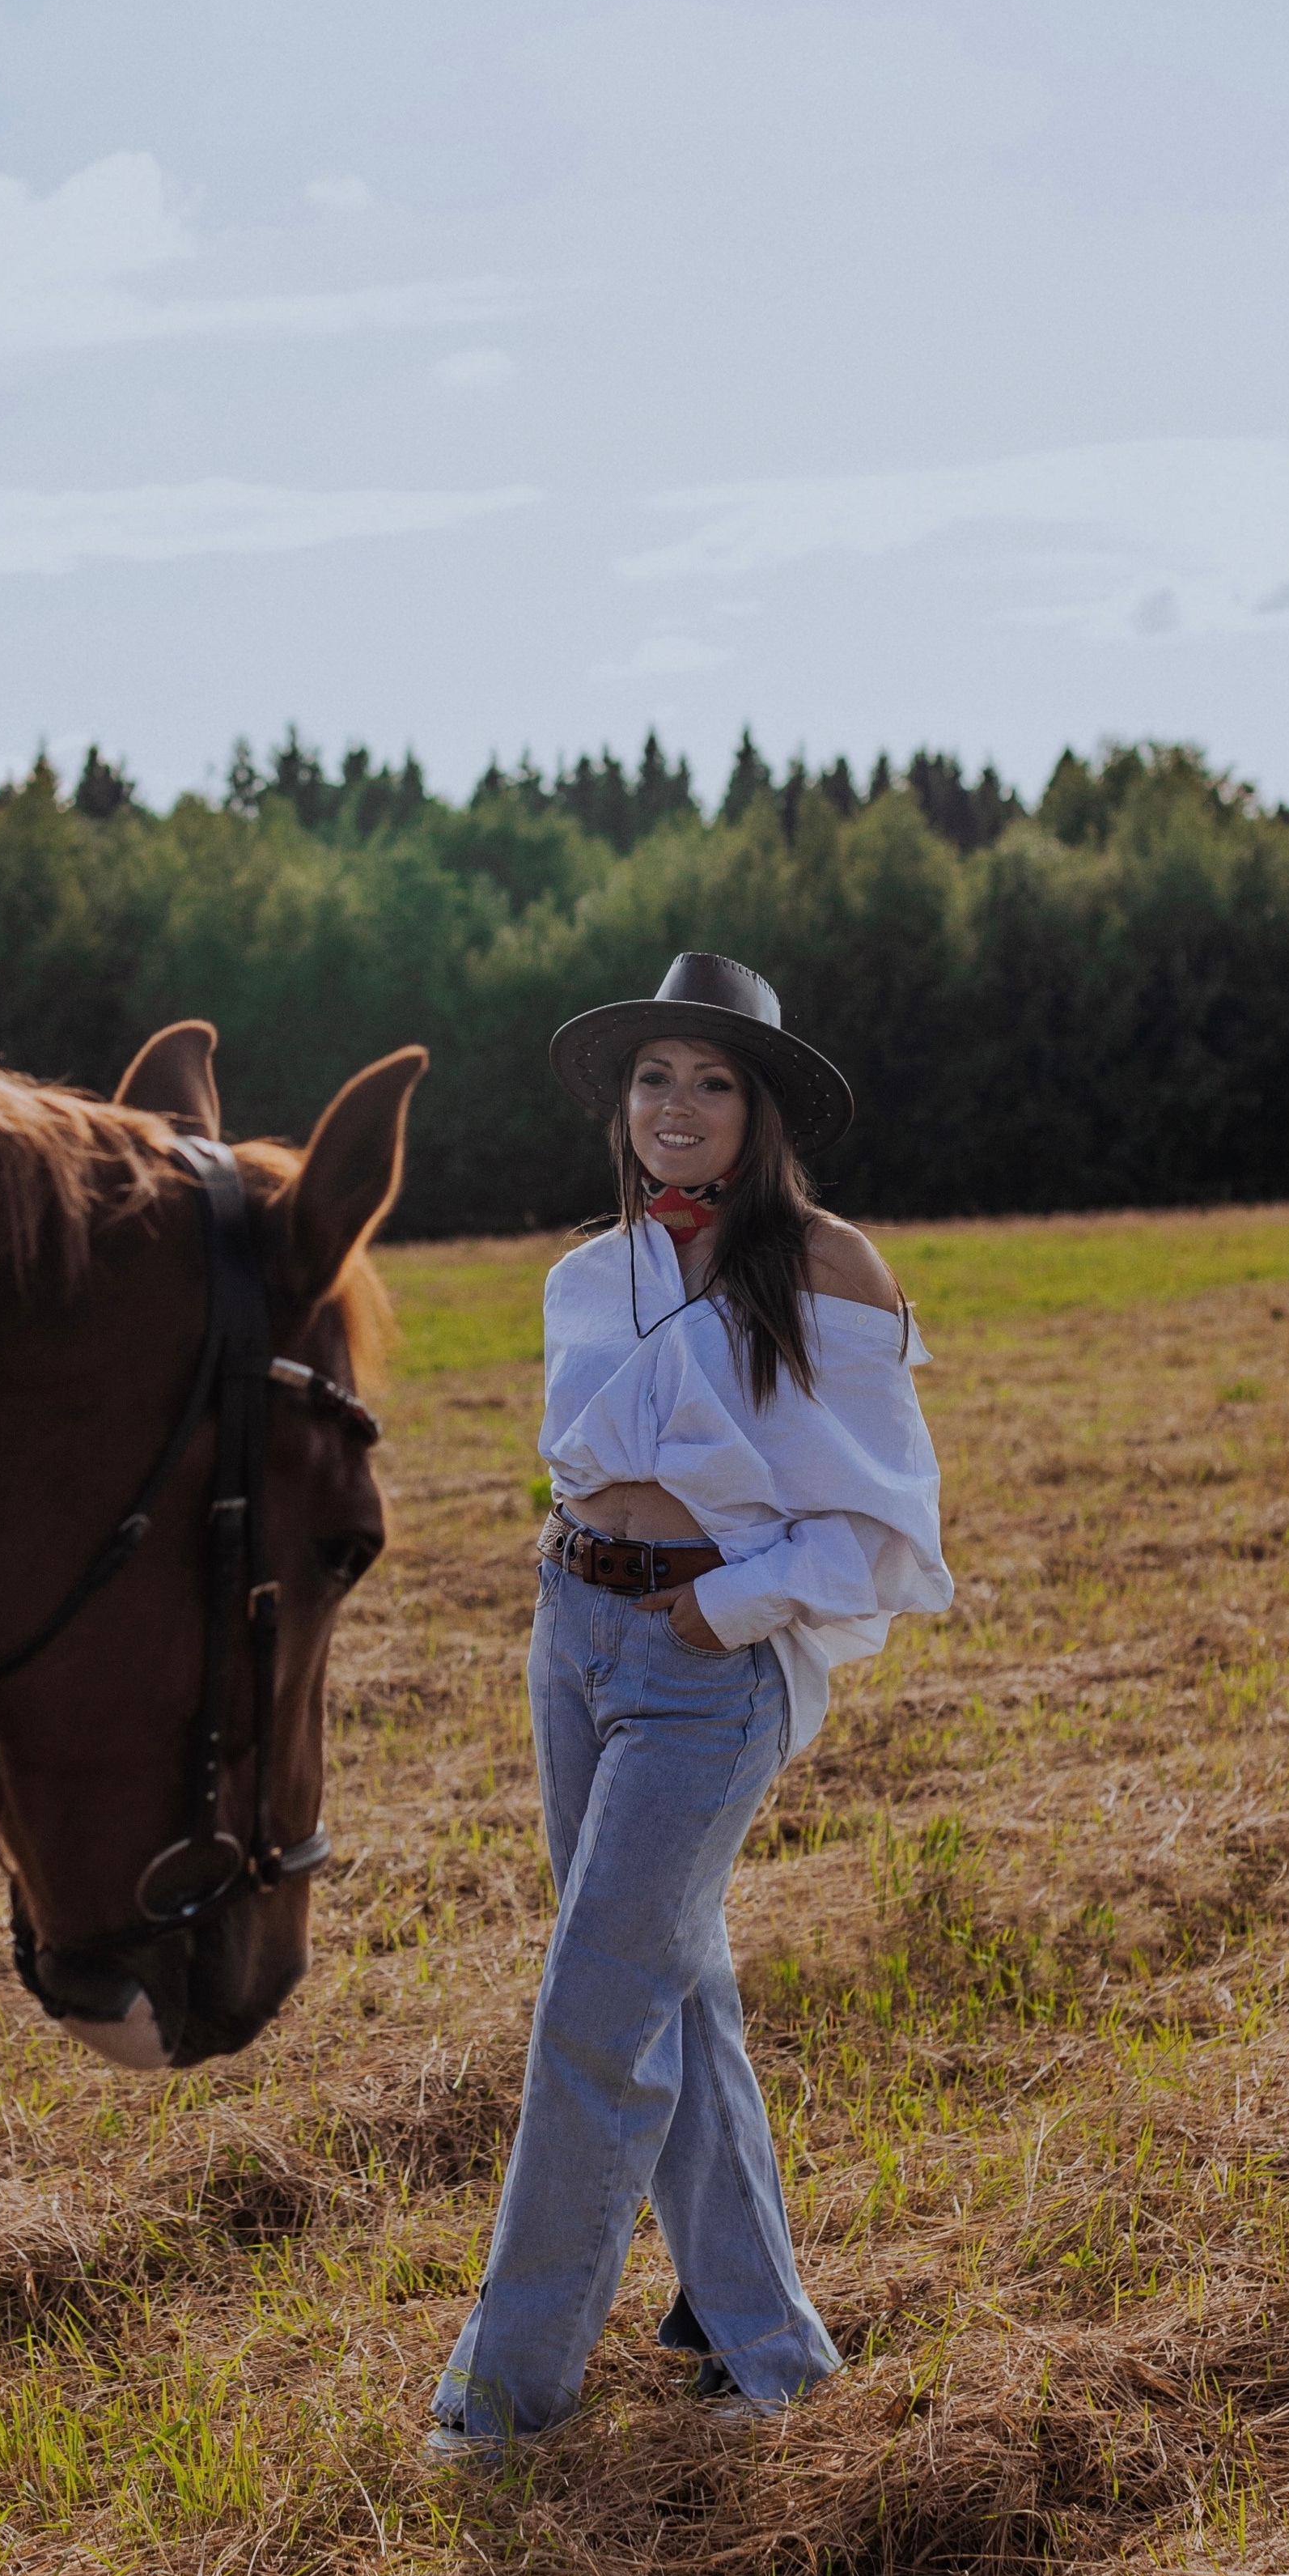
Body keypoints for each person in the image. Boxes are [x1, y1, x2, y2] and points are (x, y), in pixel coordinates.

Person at [428, 951, 952, 2459]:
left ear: (759, 1110)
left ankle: (506, 2398)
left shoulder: (829, 1270)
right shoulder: (583, 1278)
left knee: (593, 2008)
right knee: (668, 1984)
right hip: (572, 1635)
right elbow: (583, 1467)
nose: (677, 1103)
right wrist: (578, 1590)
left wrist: (726, 1606)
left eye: (712, 1081)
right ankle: (760, 2344)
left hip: (710, 1665)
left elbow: (887, 1526)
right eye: (654, 1076)